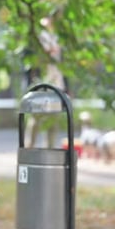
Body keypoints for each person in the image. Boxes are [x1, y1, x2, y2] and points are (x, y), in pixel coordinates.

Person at [26, 14, 66, 148]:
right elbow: (32, 64)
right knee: (36, 118)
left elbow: (65, 66)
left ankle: (49, 149)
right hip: (41, 85)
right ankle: (29, 148)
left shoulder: (60, 39)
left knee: (53, 120)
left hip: (57, 85)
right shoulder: (39, 39)